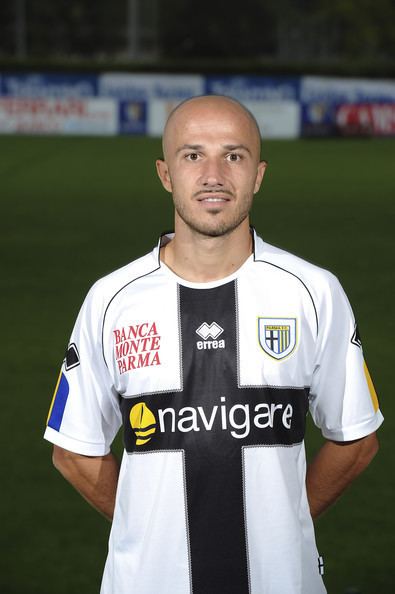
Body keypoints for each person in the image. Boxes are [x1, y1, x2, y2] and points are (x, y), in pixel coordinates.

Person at [44, 95, 383, 594]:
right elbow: (74, 451)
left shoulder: (313, 292)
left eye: (234, 155)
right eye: (192, 155)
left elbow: (356, 437)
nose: (214, 174)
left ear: (259, 174)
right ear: (165, 173)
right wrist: (154, 528)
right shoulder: (111, 301)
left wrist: (284, 523)